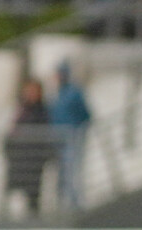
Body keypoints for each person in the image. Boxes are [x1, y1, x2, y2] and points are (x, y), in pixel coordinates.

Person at [3, 78, 56, 218]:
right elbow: (13, 130)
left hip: (34, 158)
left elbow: (45, 132)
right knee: (15, 188)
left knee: (33, 191)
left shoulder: (42, 110)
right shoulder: (22, 108)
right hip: (20, 157)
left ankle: (33, 217)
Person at [49, 60, 91, 212]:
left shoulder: (74, 92)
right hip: (58, 137)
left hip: (72, 136)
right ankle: (62, 201)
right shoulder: (57, 93)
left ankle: (75, 203)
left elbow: (86, 114)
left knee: (71, 169)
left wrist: (78, 130)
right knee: (61, 171)